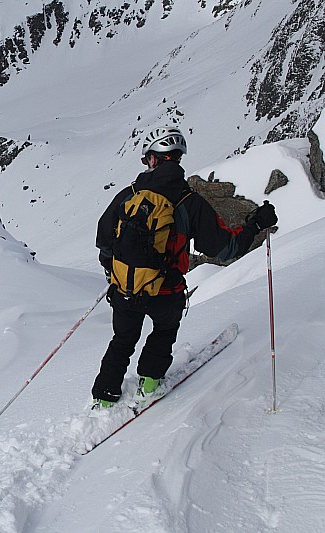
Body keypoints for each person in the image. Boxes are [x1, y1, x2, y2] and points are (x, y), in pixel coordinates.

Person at [91, 127, 278, 409]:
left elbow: (103, 239)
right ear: (177, 159)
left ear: (153, 159)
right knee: (164, 331)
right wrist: (255, 224)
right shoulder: (191, 203)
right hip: (167, 290)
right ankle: (149, 384)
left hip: (125, 289)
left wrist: (115, 273)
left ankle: (104, 398)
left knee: (122, 339)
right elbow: (226, 248)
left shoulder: (128, 195)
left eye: (147, 159)